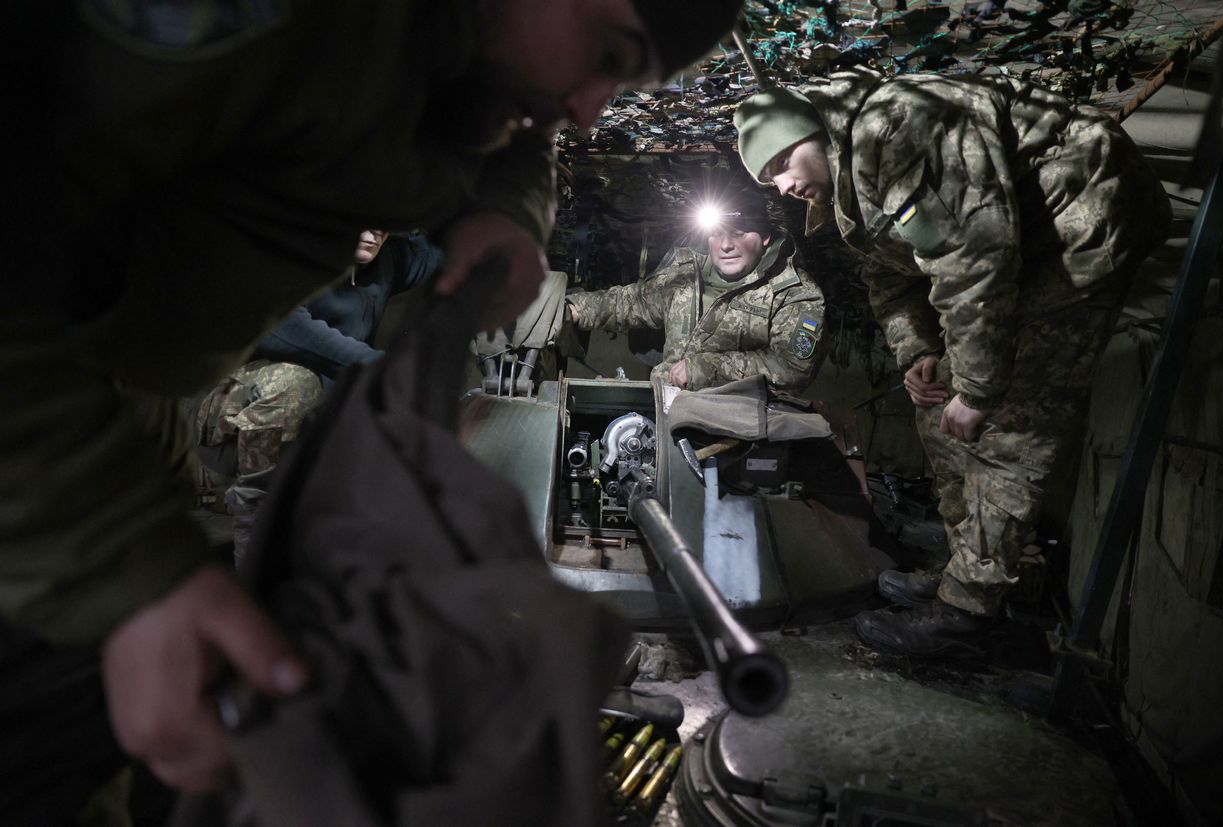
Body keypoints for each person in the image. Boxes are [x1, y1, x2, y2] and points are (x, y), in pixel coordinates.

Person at [0, 0, 744, 809]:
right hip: (38, 423)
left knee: (127, 730)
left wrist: (508, 211)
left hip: (135, 401)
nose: (590, 106)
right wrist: (127, 569)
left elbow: (509, 122)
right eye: (606, 52)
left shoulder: (460, 48)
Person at [733, 67, 1171, 657]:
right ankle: (961, 569)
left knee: (1010, 418)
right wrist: (920, 354)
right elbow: (889, 281)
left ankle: (968, 614)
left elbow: (976, 256)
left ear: (814, 130)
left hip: (1079, 222)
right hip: (1012, 251)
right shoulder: (851, 193)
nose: (781, 186)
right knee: (934, 398)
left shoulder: (895, 127)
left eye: (781, 164)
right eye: (768, 180)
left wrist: (982, 391)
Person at [194, 230, 443, 562]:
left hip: (318, 430)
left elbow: (447, 242)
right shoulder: (289, 255)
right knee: (295, 383)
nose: (372, 232)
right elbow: (283, 327)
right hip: (232, 421)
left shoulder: (388, 259)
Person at [567, 188, 826, 393]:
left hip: (738, 426)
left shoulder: (794, 293)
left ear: (765, 237)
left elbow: (793, 368)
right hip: (665, 407)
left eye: (738, 234)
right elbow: (632, 302)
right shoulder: (686, 273)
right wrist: (574, 309)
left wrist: (709, 367)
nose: (725, 245)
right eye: (716, 234)